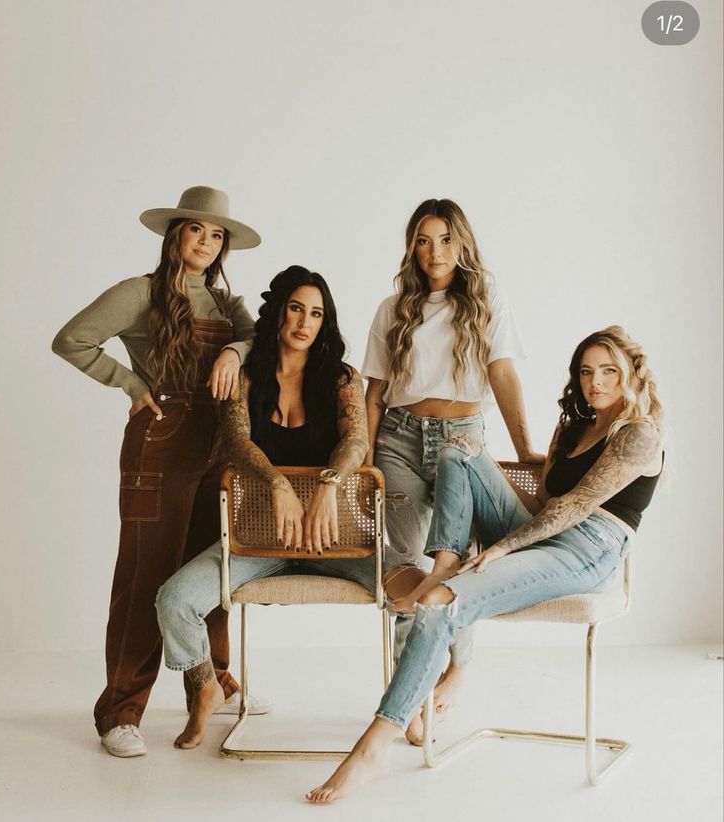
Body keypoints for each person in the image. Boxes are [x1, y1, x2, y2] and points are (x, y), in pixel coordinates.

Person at [307, 325, 664, 803]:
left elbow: (575, 507)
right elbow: (543, 502)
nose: (594, 382)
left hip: (588, 548)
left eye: (607, 371)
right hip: (545, 534)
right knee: (460, 450)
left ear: (630, 374)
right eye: (585, 371)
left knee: (437, 605)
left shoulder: (639, 434)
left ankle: (373, 748)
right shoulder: (574, 426)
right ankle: (445, 563)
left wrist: (503, 547)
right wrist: (490, 495)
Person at [52, 186, 261, 757]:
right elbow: (71, 339)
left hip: (217, 446)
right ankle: (121, 710)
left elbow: (260, 336)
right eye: (196, 229)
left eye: (216, 235)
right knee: (146, 575)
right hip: (159, 444)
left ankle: (215, 684)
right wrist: (131, 383)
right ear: (175, 236)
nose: (206, 241)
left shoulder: (226, 304)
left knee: (213, 571)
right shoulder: (138, 292)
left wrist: (232, 353)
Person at [156, 265, 397, 749]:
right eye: (295, 308)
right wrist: (277, 485)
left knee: (417, 593)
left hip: (340, 537)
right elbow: (236, 439)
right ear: (278, 312)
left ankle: (402, 708)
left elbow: (355, 440)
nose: (304, 322)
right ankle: (206, 688)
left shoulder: (342, 378)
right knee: (174, 600)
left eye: (316, 313)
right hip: (258, 537)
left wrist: (327, 486)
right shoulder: (247, 376)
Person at [361, 198, 543, 741]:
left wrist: (525, 447)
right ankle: (409, 701)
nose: (434, 251)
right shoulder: (392, 309)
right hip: (397, 440)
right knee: (403, 566)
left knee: (455, 565)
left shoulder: (487, 300)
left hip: (462, 440)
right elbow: (373, 393)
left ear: (461, 244)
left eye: (444, 239)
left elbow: (503, 374)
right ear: (411, 247)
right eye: (423, 239)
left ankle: (456, 670)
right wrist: (367, 463)